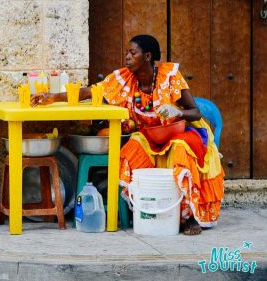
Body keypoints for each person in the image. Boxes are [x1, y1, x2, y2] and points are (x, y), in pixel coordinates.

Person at [31, 34, 224, 235]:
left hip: (179, 132)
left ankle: (188, 217)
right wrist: (53, 97)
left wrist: (178, 111)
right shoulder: (124, 79)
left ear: (147, 56)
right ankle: (145, 208)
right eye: (127, 52)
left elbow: (195, 112)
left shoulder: (170, 76)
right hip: (150, 136)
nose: (127, 57)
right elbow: (91, 91)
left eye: (133, 53)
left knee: (181, 152)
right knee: (130, 151)